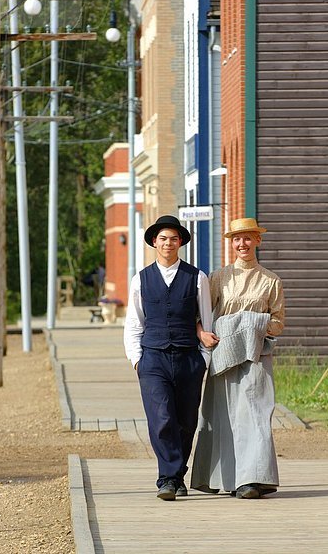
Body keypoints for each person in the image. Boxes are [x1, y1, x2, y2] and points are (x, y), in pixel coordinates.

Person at [191, 217, 285, 499]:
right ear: (231, 243)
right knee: (222, 416)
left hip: (256, 355)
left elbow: (278, 323)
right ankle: (219, 477)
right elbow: (201, 316)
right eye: (236, 239)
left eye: (247, 238)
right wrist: (202, 333)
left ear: (258, 240)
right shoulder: (219, 277)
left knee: (256, 415)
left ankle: (253, 479)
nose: (242, 243)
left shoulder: (271, 280)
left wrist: (250, 325)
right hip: (223, 354)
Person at [124, 215, 213, 501]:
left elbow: (206, 321)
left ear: (180, 243)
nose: (168, 243)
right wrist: (136, 358)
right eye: (163, 238)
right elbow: (134, 322)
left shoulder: (197, 277)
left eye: (173, 238)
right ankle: (168, 478)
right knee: (162, 419)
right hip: (153, 358)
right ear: (154, 242)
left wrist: (205, 358)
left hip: (189, 358)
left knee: (186, 421)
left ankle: (176, 476)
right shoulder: (141, 279)